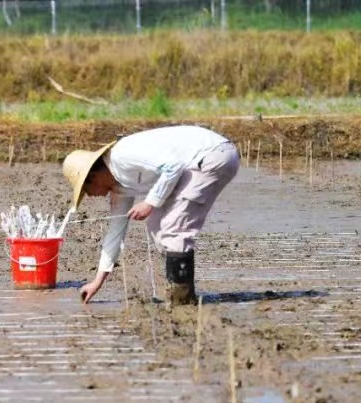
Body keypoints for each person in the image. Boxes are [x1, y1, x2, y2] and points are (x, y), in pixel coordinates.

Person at [62, 125, 239, 306]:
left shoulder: (122, 157)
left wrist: (150, 203)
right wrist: (97, 282)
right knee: (157, 226)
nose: (90, 196)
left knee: (173, 228)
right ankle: (180, 289)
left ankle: (182, 299)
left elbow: (173, 166)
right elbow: (115, 233)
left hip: (213, 155)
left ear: (92, 177)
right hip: (192, 165)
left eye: (86, 190)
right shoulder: (118, 189)